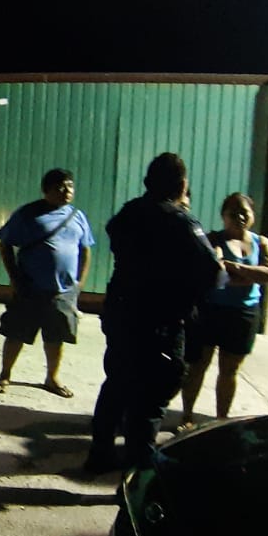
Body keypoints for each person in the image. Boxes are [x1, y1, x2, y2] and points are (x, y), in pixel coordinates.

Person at [86, 153, 225, 473]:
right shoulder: (183, 222)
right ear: (182, 185)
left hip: (123, 314)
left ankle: (100, 453)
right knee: (151, 398)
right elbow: (212, 274)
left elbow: (116, 238)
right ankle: (139, 471)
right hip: (161, 322)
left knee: (117, 384)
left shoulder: (129, 213)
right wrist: (216, 258)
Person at [0, 168, 94, 398]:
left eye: (70, 186)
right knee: (17, 333)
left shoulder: (77, 216)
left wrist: (79, 284)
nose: (67, 191)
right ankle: (4, 375)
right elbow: (5, 243)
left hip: (63, 291)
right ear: (46, 190)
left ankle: (52, 378)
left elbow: (85, 250)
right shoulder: (28, 214)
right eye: (60, 187)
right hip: (30, 288)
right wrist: (14, 278)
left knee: (56, 337)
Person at [176, 193, 268, 430]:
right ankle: (186, 416)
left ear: (252, 215)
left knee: (230, 370)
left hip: (244, 314)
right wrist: (248, 274)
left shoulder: (262, 243)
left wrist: (234, 268)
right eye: (233, 212)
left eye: (244, 212)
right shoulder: (214, 239)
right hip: (211, 311)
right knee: (198, 366)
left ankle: (221, 419)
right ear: (223, 215)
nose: (240, 217)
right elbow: (215, 272)